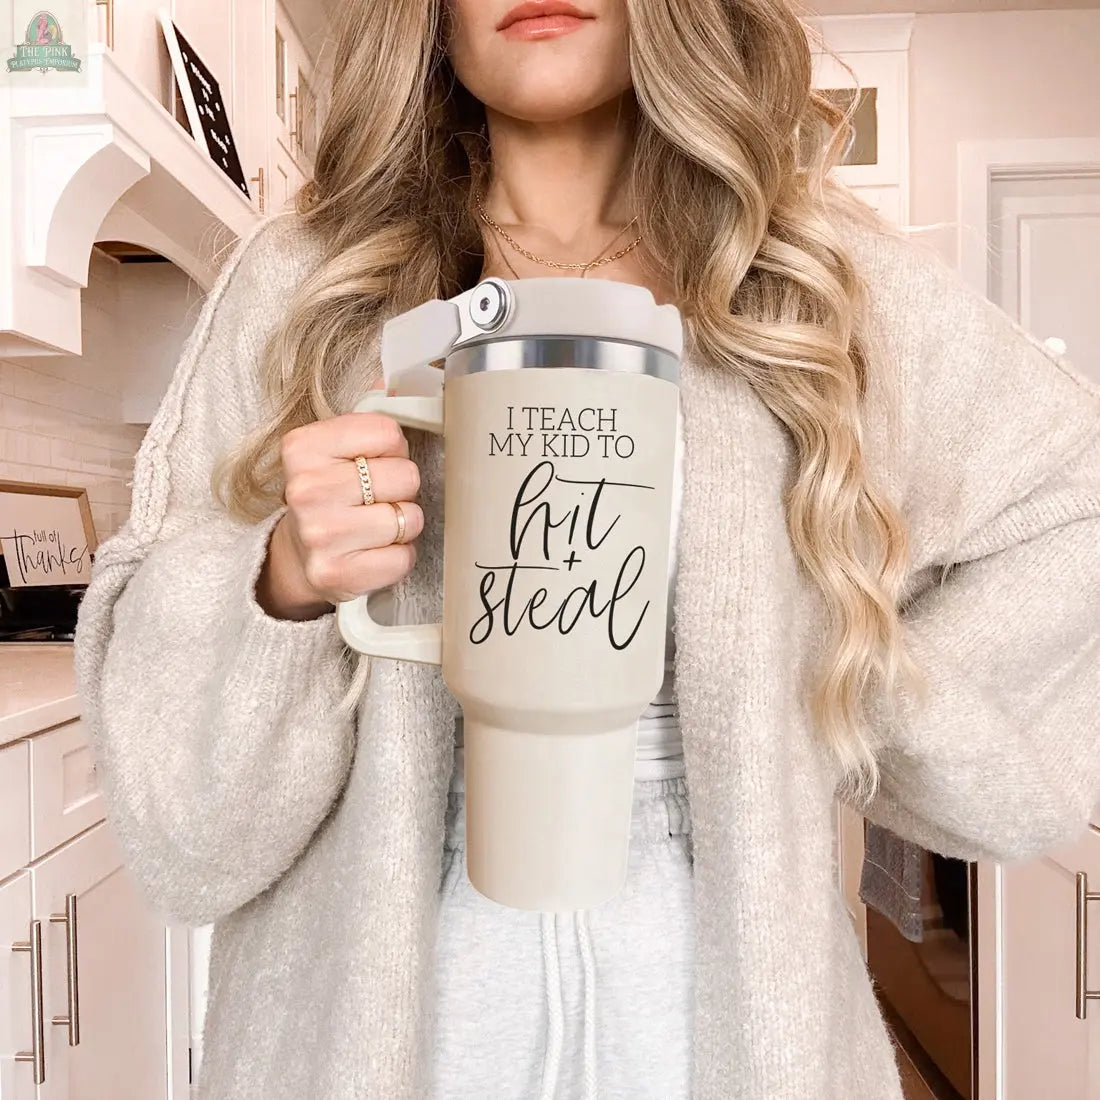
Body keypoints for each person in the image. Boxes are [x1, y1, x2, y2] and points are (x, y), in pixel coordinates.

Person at [72, 0, 1100, 1097]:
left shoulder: (815, 283)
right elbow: (184, 840)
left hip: (721, 1012)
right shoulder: (308, 282)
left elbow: (1068, 506)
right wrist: (282, 578)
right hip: (378, 1019)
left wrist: (836, 678)